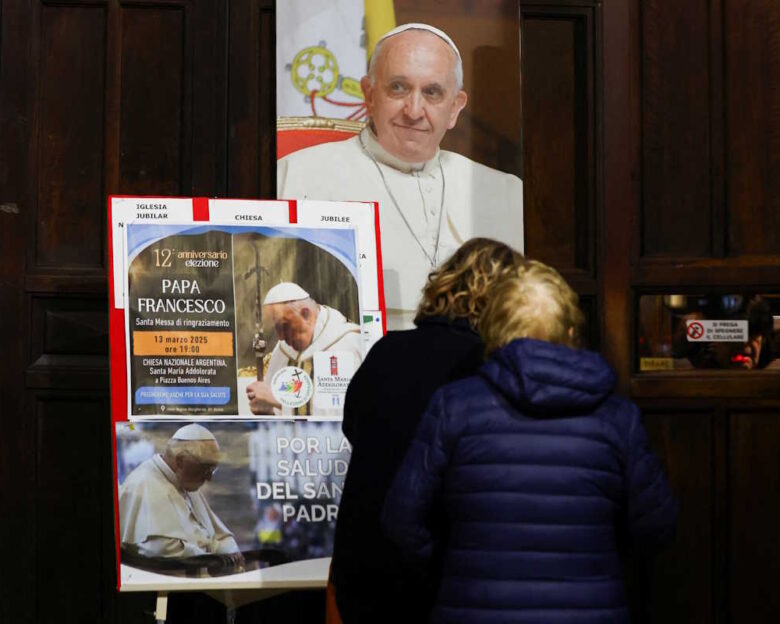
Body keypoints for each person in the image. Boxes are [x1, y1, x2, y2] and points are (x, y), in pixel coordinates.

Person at [383, 259, 678, 623]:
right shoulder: (617, 418)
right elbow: (656, 527)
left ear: (493, 330)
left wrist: (455, 565)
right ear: (571, 332)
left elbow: (401, 520)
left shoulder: (454, 407)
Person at [277, 23, 524, 330]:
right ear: (369, 95)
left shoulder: (506, 191)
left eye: (432, 92)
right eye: (398, 87)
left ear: (455, 108)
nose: (414, 110)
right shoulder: (295, 175)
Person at [331, 239, 524, 623]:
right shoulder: (489, 366)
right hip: (436, 573)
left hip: (363, 563)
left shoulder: (387, 350)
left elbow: (353, 426)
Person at [118, 424, 243, 565]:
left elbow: (217, 534)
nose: (209, 478)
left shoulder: (186, 483)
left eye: (213, 469)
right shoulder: (144, 484)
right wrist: (212, 557)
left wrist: (228, 549)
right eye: (206, 468)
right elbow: (160, 549)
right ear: (180, 461)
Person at [245, 282, 363, 416]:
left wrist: (278, 400)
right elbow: (276, 413)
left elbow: (341, 412)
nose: (281, 337)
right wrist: (267, 409)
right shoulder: (283, 350)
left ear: (305, 314)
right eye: (276, 328)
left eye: (284, 326)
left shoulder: (345, 344)